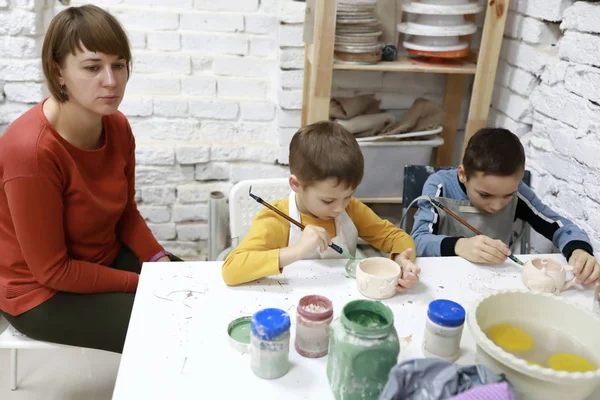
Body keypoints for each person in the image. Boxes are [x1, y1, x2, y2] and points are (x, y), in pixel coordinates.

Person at [0, 5, 180, 353]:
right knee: (169, 323)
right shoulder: (32, 152)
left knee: (198, 289)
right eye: (93, 67)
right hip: (40, 292)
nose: (111, 81)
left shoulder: (116, 124)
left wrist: (158, 261)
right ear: (59, 72)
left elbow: (125, 213)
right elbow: (52, 271)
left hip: (100, 258)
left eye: (119, 65)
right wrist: (142, 283)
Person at [222, 121, 420, 291]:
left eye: (348, 196)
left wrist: (401, 260)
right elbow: (231, 270)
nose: (339, 208)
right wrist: (297, 251)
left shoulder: (351, 209)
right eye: (328, 201)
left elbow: (397, 237)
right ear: (296, 184)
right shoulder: (277, 219)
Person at [411, 128, 599, 285]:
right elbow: (417, 241)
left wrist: (579, 250)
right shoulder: (440, 185)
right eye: (485, 195)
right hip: (441, 281)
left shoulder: (520, 193)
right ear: (463, 174)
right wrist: (459, 246)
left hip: (493, 281)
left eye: (508, 195)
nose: (496, 206)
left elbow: (559, 225)